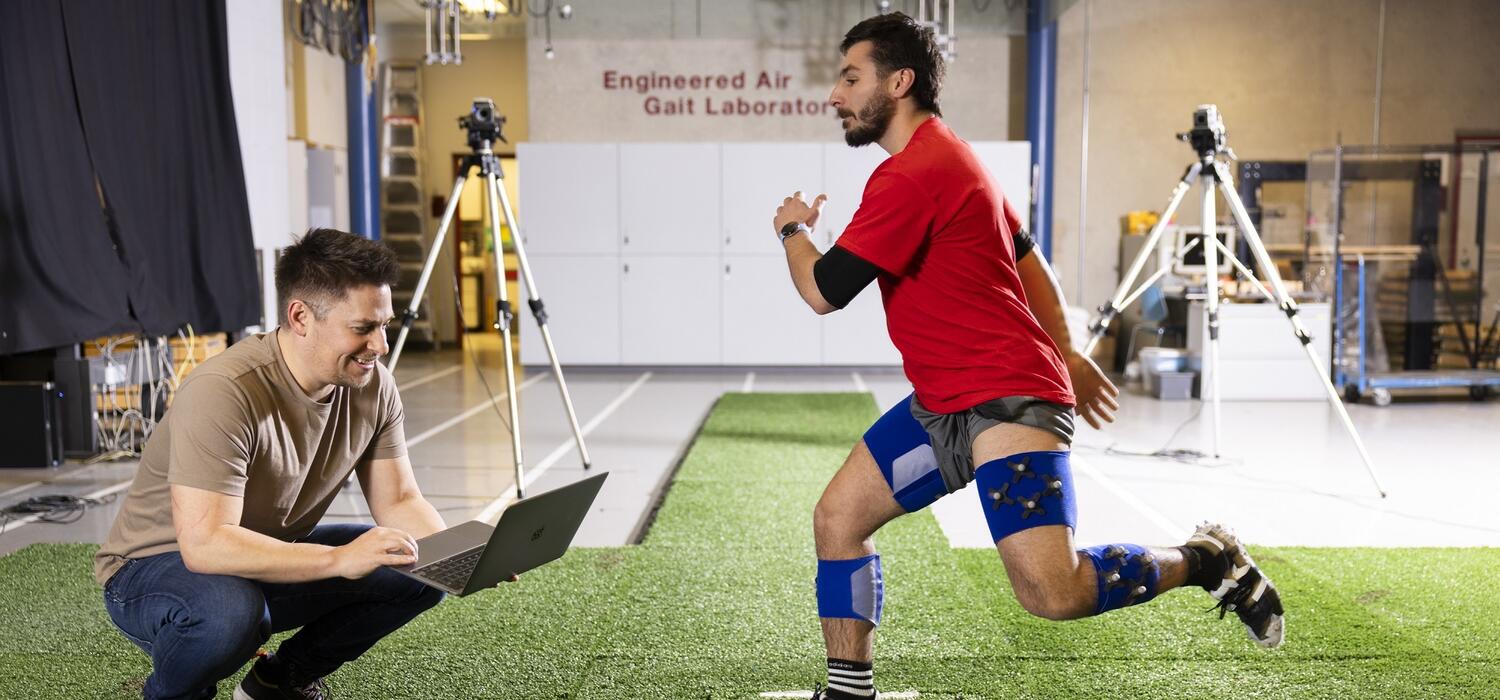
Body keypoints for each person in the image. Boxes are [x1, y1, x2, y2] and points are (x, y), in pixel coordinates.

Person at [771, 13, 1284, 699]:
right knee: (838, 518)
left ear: (899, 82)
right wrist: (1068, 350)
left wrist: (794, 228)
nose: (836, 95)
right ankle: (848, 690)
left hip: (1008, 399)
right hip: (943, 405)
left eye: (850, 77)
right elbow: (1027, 257)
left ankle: (1205, 559)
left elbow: (822, 290)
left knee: (1054, 592)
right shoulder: (951, 153)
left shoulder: (912, 175)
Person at [96, 228, 453, 700]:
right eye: (364, 328)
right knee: (231, 614)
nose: (380, 345)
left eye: (384, 325)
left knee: (412, 565)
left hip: (258, 556)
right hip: (152, 570)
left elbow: (402, 499)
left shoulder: (372, 385)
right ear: (300, 316)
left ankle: (276, 683)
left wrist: (459, 556)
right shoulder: (223, 390)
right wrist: (337, 559)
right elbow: (204, 545)